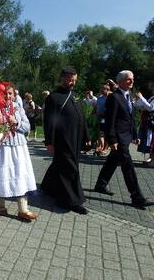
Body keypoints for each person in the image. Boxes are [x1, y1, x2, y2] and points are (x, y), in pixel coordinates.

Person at [94, 71, 153, 209]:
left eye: (132, 79)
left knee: (112, 161)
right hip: (119, 138)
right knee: (128, 167)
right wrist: (112, 139)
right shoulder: (114, 97)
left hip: (126, 136)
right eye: (128, 79)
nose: (132, 81)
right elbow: (110, 120)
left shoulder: (127, 96)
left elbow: (130, 117)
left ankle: (100, 184)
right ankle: (137, 197)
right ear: (120, 81)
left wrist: (134, 135)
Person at [41, 67, 91, 214]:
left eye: (75, 80)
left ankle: (48, 187)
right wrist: (49, 142)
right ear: (62, 78)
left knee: (60, 166)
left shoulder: (74, 96)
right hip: (62, 139)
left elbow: (81, 117)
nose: (72, 83)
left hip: (75, 138)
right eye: (70, 80)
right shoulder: (54, 97)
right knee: (70, 169)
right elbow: (48, 122)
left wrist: (87, 136)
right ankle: (71, 201)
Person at [0, 82, 38, 220]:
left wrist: (16, 122)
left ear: (14, 95)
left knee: (20, 174)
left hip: (17, 146)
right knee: (1, 173)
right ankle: (0, 205)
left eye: (10, 93)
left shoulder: (17, 107)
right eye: (5, 93)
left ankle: (23, 209)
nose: (8, 96)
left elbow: (27, 126)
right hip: (0, 147)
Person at [136, 85, 154, 167]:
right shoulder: (152, 98)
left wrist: (141, 97)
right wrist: (138, 100)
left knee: (151, 141)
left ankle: (152, 160)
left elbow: (150, 108)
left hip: (151, 122)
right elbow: (144, 107)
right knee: (149, 141)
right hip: (148, 121)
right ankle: (151, 159)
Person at [95, 85, 111, 156]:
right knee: (100, 132)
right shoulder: (99, 97)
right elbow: (97, 106)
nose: (101, 90)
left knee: (104, 133)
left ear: (107, 90)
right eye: (101, 88)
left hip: (105, 117)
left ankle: (103, 148)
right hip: (99, 117)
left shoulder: (109, 98)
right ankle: (100, 147)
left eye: (103, 89)